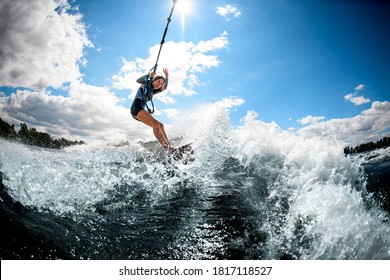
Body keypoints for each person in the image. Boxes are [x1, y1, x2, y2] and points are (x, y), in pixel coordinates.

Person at [130, 68, 174, 152]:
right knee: (156, 125)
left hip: (140, 109)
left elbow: (164, 88)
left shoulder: (153, 91)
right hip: (136, 108)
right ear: (154, 80)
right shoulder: (145, 84)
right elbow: (138, 80)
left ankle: (169, 147)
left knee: (160, 125)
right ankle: (168, 149)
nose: (159, 84)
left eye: (161, 83)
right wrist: (149, 75)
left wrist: (167, 76)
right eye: (158, 82)